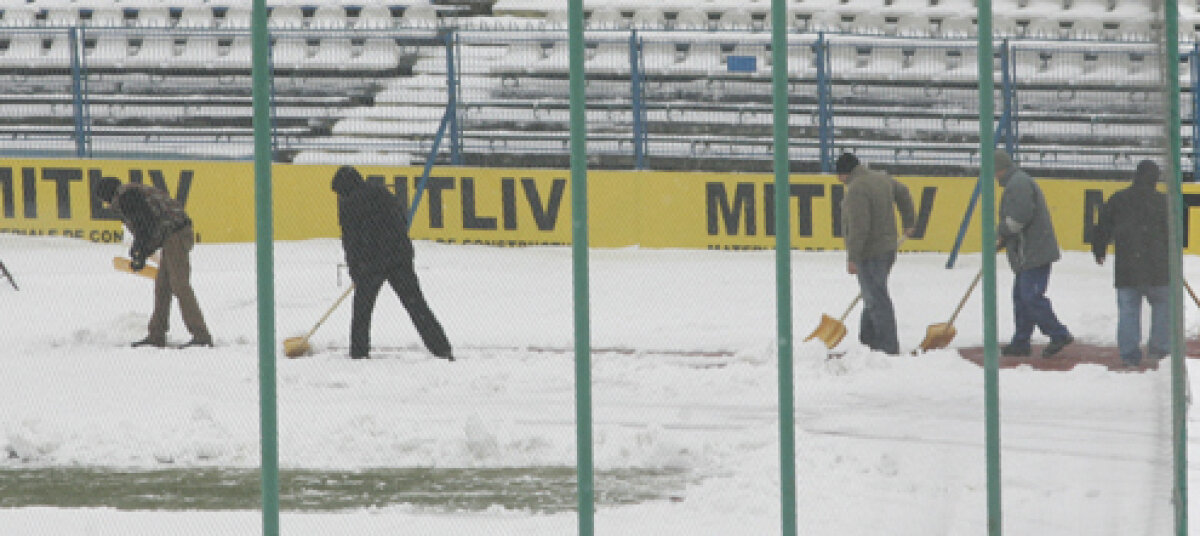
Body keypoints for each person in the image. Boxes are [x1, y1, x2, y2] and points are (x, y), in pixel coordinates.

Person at [331, 165, 454, 361]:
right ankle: (442, 348)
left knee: (362, 311)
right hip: (399, 258)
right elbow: (401, 221)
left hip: (371, 265)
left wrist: (356, 270)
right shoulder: (382, 192)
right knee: (416, 305)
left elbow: (351, 241)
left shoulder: (348, 205)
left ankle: (359, 352)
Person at [95, 178, 213, 349]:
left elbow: (146, 227)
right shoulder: (130, 193)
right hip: (172, 235)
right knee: (162, 287)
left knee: (180, 285)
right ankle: (156, 335)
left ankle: (201, 336)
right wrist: (140, 252)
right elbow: (149, 226)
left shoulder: (127, 198)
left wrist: (141, 253)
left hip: (175, 235)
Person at [994, 150, 1073, 357]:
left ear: (999, 169)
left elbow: (1020, 217)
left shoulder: (1018, 184)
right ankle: (1021, 342)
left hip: (1034, 251)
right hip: (1027, 252)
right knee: (1021, 297)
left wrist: (1001, 232)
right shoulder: (1016, 182)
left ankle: (1058, 333)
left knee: (1030, 297)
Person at [1091, 160, 1169, 367]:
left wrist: (1099, 250)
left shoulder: (1119, 199)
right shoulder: (1163, 202)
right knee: (1163, 307)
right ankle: (1159, 351)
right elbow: (1174, 234)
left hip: (1128, 267)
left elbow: (1102, 227)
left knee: (1129, 311)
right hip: (1158, 267)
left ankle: (1129, 355)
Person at [835, 152, 915, 355]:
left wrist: (853, 257)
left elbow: (859, 226)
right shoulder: (881, 178)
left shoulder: (856, 190)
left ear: (844, 173)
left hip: (870, 252)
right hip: (888, 248)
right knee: (872, 295)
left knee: (876, 298)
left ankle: (888, 347)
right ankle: (868, 339)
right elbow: (904, 192)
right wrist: (909, 221)